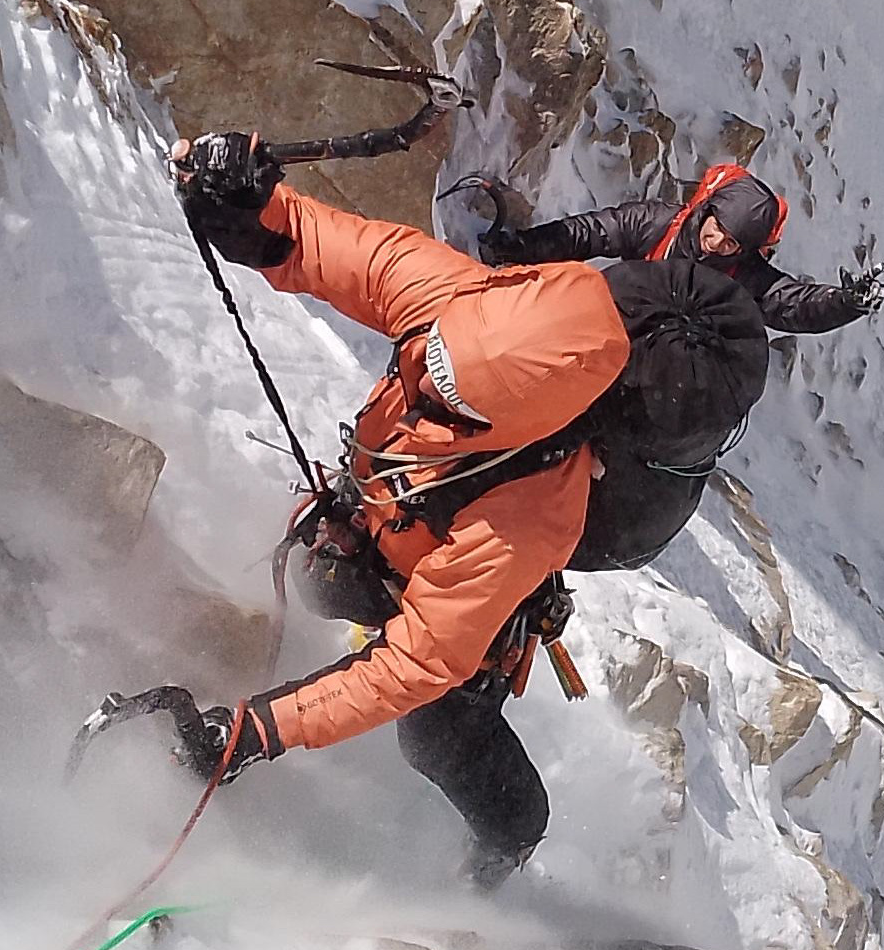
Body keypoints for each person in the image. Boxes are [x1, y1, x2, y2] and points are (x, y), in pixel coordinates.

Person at [163, 130, 762, 886]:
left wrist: (260, 730)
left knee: (438, 734)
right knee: (319, 581)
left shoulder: (532, 512)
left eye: (460, 408)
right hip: (390, 518)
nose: (429, 397)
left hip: (455, 579)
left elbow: (418, 661)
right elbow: (324, 245)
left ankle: (511, 837)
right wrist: (244, 206)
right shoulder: (462, 298)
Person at [475, 163, 884, 334]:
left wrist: (844, 303)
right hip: (607, 323)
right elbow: (590, 233)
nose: (718, 243)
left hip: (667, 361)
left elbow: (792, 303)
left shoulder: (744, 274)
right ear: (707, 209)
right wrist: (520, 248)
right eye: (718, 228)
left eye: (732, 243)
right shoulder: (656, 223)